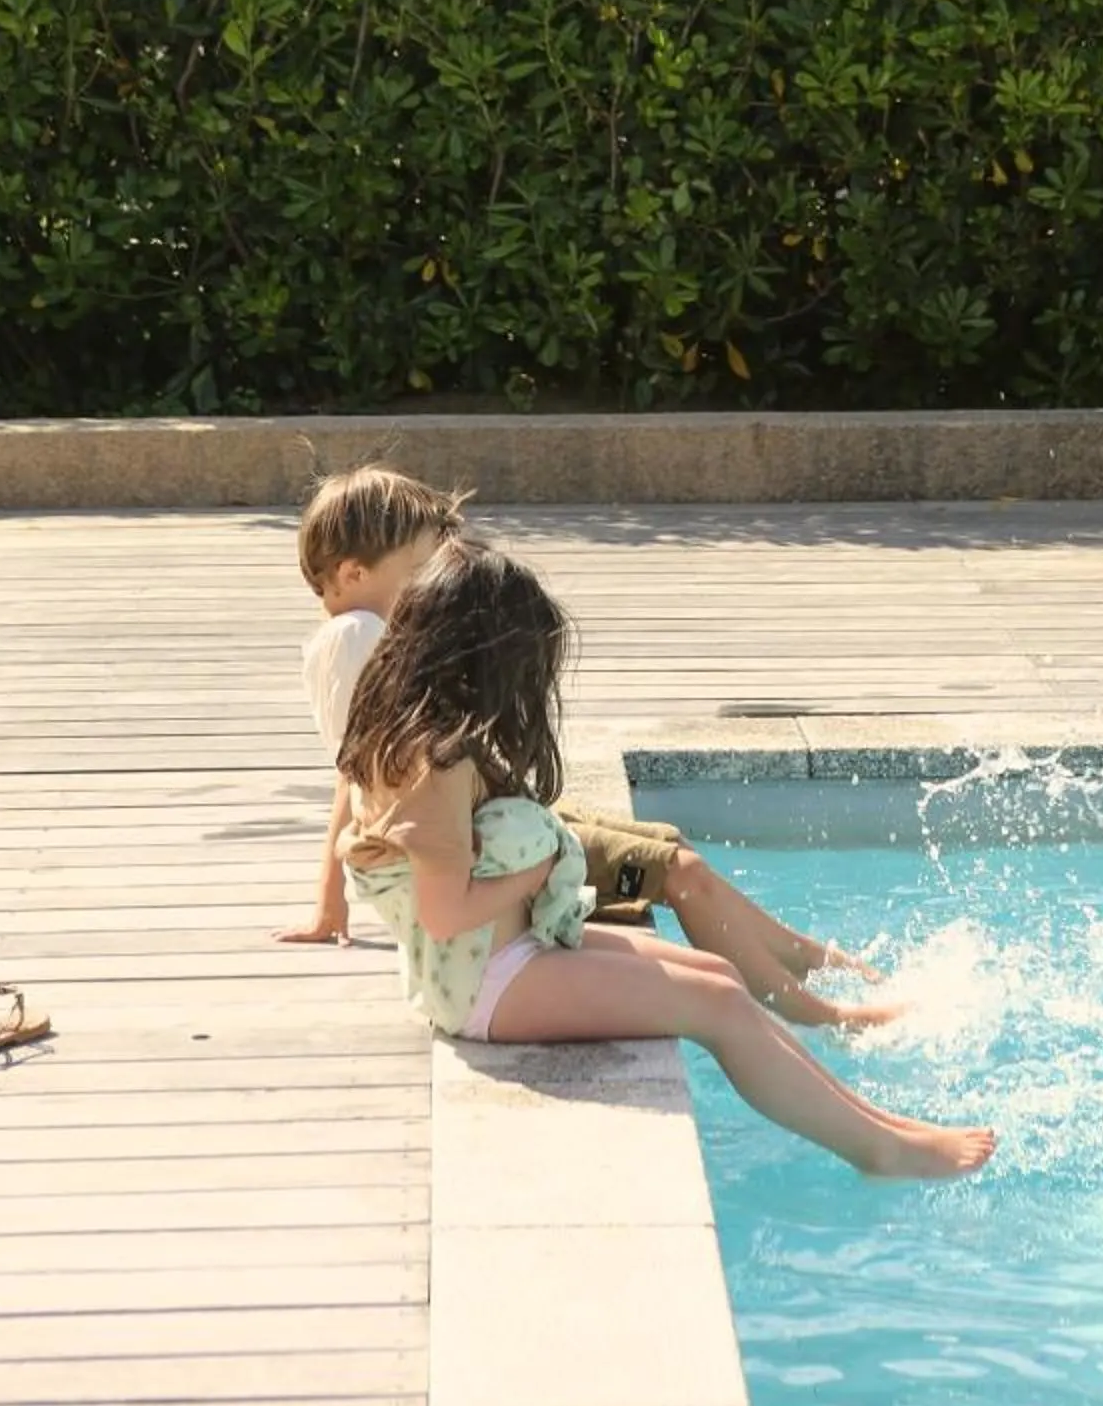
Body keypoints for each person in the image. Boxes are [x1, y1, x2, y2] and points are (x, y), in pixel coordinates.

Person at [338, 538, 998, 1182]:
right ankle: (880, 1152)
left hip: (500, 952)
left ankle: (885, 1129)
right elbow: (445, 913)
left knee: (721, 976)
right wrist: (534, 874)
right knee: (718, 1010)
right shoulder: (431, 765)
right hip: (483, 983)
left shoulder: (417, 730)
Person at [280, 465, 897, 1030]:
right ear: (353, 576)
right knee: (680, 872)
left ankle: (809, 962)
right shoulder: (356, 636)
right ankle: (819, 1012)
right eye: (420, 568)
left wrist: (329, 905)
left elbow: (355, 771)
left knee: (673, 848)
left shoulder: (367, 635)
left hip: (483, 815)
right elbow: (367, 771)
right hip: (478, 840)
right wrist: (341, 896)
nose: (435, 584)